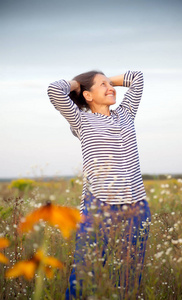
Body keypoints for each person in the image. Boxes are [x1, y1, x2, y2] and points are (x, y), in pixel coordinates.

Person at [47, 70, 151, 299]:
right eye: (101, 85)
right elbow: (55, 90)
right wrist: (78, 84)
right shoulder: (81, 120)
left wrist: (105, 80)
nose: (110, 88)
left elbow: (137, 78)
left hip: (137, 207)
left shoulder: (126, 114)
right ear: (88, 95)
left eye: (109, 84)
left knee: (129, 278)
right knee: (85, 276)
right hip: (99, 206)